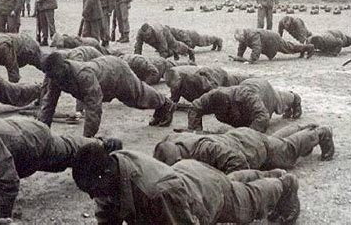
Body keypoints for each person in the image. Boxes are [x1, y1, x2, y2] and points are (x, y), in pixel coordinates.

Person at [72, 144, 301, 224]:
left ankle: (284, 184)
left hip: (205, 194)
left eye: (94, 191)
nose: (93, 197)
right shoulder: (109, 166)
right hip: (186, 176)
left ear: (106, 174)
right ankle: (269, 174)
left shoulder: (155, 192)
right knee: (233, 185)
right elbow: (107, 216)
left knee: (248, 202)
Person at [0, 117, 122, 220]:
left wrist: (2, 218)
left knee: (66, 154)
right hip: (14, 133)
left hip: (32, 140)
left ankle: (104, 146)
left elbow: (7, 182)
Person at [37, 53, 176, 137]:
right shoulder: (56, 75)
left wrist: (87, 137)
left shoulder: (83, 75)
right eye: (50, 77)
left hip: (115, 71)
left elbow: (93, 107)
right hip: (104, 73)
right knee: (137, 97)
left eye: (54, 76)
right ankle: (162, 105)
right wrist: (41, 131)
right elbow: (49, 103)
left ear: (62, 68)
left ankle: (166, 104)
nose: (52, 80)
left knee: (137, 97)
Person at [154, 124, 334, 173]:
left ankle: (320, 133)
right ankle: (302, 128)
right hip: (240, 137)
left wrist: (227, 183)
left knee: (288, 153)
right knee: (276, 142)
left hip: (252, 149)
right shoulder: (171, 141)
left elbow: (238, 162)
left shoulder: (204, 149)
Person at [187, 78, 302, 133]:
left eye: (227, 112)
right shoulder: (211, 97)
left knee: (277, 100)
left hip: (261, 89)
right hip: (244, 88)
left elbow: (263, 116)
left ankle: (295, 98)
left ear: (230, 104)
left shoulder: (247, 97)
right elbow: (194, 108)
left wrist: (247, 135)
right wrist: (196, 131)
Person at [165, 65, 249, 103]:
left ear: (179, 79)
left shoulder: (193, 81)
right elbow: (174, 99)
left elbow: (213, 91)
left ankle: (250, 77)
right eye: (172, 87)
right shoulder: (175, 84)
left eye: (174, 86)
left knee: (234, 83)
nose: (173, 89)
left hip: (215, 76)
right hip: (205, 75)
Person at [233, 28, 315, 63]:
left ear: (242, 35)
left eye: (239, 39)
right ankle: (304, 48)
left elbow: (257, 47)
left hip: (273, 40)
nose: (239, 41)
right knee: (290, 47)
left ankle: (309, 47)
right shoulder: (244, 36)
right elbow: (242, 45)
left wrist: (251, 60)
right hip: (270, 39)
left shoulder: (252, 35)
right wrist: (239, 56)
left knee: (290, 48)